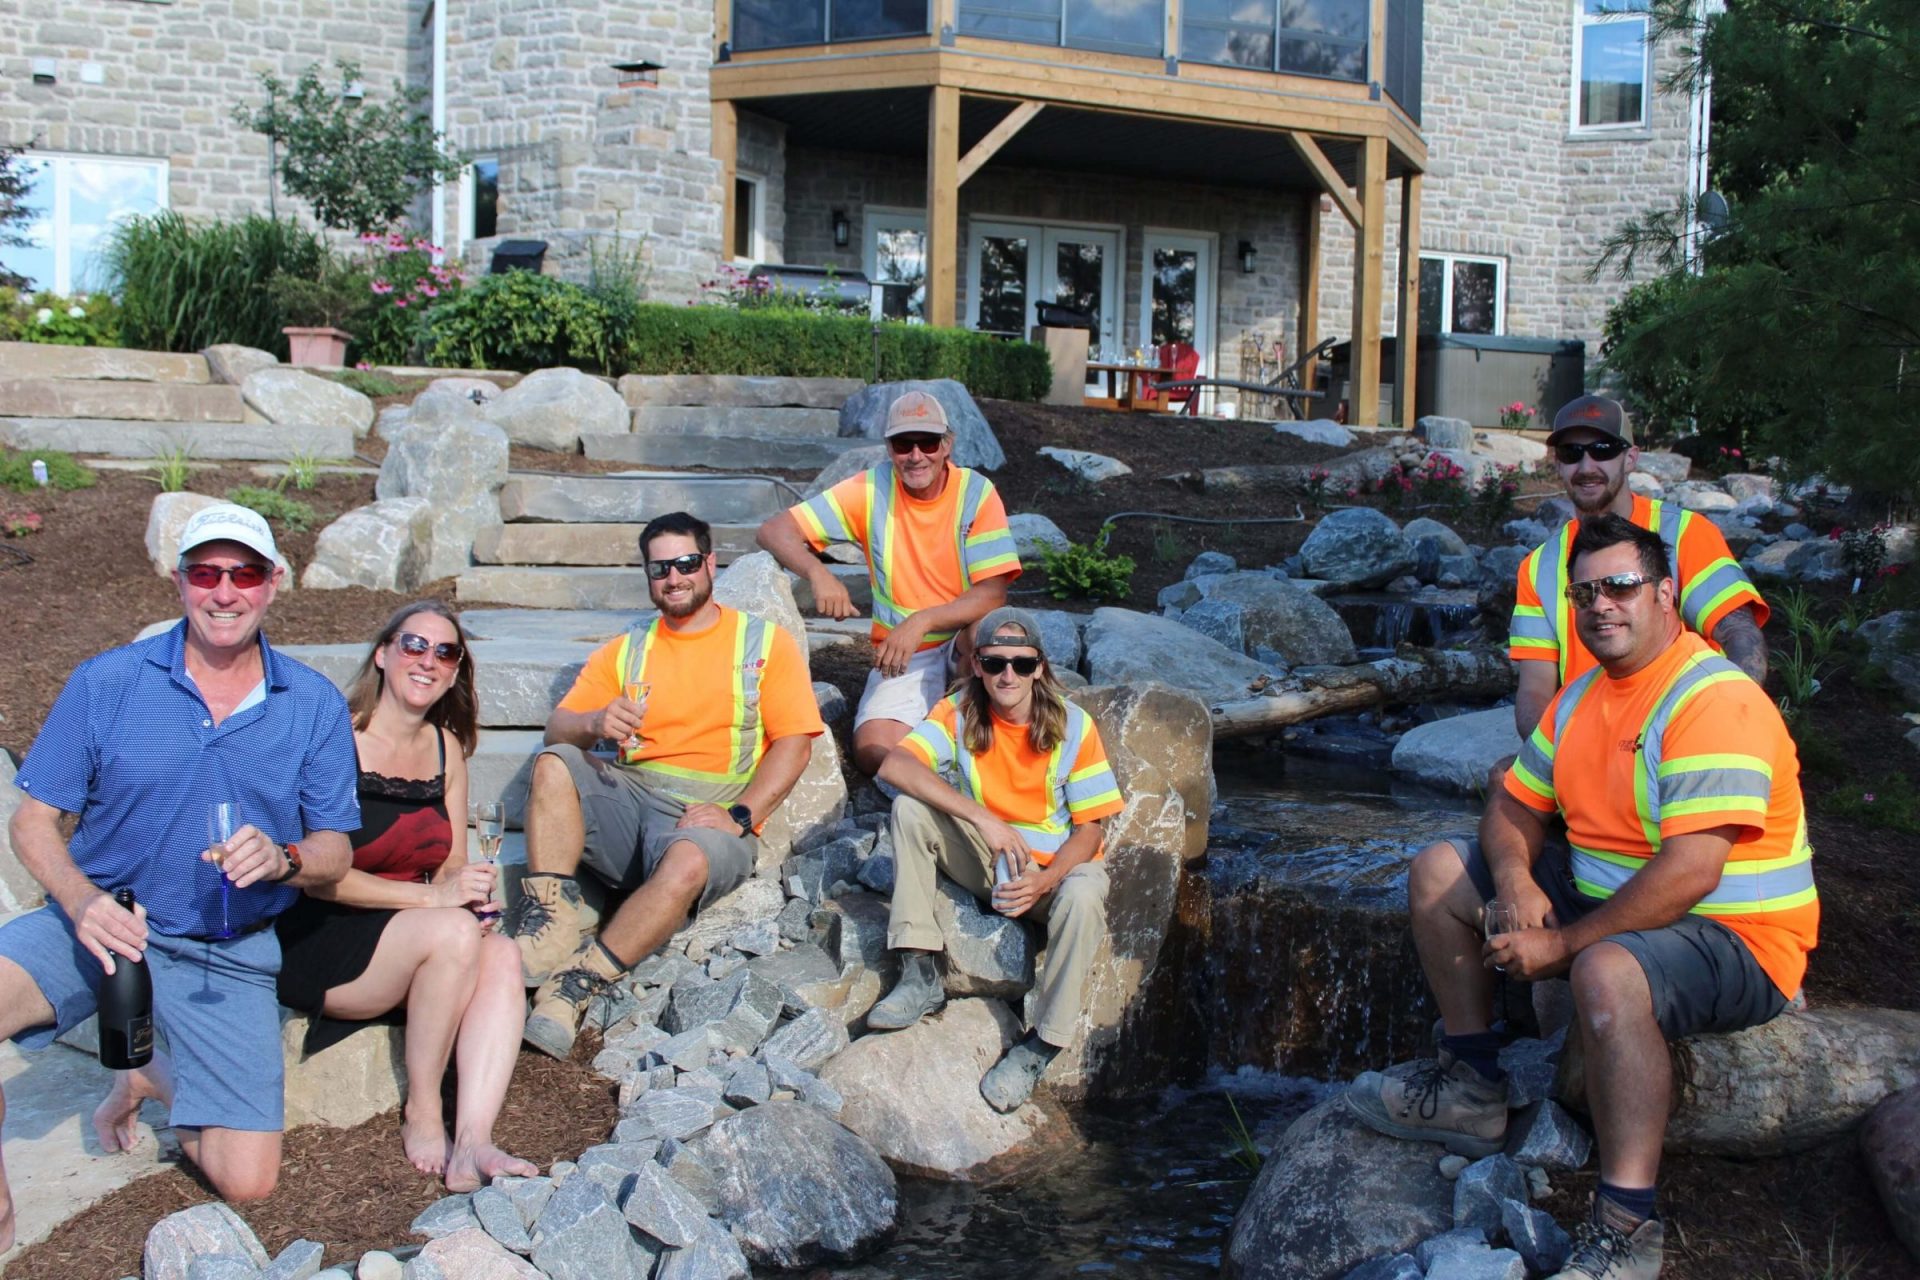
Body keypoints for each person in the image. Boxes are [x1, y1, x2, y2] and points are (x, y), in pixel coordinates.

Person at [1345, 515, 1818, 1280]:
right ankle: (1474, 1087)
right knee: (1438, 869)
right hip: (1616, 906)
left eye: (1621, 586)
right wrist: (1517, 882)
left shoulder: (1712, 699)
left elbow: (1694, 871)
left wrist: (1562, 944)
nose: (1602, 605)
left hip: (1736, 935)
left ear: (1666, 594)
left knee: (1604, 970)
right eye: (1585, 592)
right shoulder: (1583, 697)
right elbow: (1512, 804)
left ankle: (1628, 1222)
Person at [0, 504, 358, 1243]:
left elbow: (337, 852)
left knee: (247, 1177)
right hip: (103, 923)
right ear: (178, 581)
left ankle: (145, 1073)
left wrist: (287, 860)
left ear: (273, 584)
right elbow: (32, 823)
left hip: (223, 948)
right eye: (206, 572)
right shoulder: (108, 683)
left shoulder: (314, 703)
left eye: (245, 573)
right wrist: (80, 900)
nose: (224, 592)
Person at [505, 511, 825, 1059]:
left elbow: (795, 742)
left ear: (709, 563)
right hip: (631, 801)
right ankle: (552, 919)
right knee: (556, 761)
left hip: (708, 817)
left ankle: (579, 982)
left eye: (685, 564)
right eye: (660, 569)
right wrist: (592, 722)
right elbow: (558, 728)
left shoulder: (761, 644)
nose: (674, 578)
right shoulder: (628, 650)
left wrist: (740, 815)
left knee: (687, 862)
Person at [274, 601, 537, 1192]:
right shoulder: (333, 738)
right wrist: (435, 903)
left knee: (503, 955)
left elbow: (450, 860)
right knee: (449, 931)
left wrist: (466, 895)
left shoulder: (448, 749)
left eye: (445, 652)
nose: (428, 661)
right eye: (414, 645)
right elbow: (316, 874)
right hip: (322, 935)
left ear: (456, 670)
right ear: (383, 654)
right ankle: (422, 1108)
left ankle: (474, 1140)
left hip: (410, 938)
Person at [867, 607, 1125, 1112]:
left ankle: (1041, 1043)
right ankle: (919, 971)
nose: (1009, 675)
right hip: (986, 857)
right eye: (995, 663)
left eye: (1022, 664)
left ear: (1040, 668)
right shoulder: (959, 709)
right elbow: (896, 763)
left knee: (1087, 890)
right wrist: (984, 819)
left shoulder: (1075, 725)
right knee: (910, 810)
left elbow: (1091, 828)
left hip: (1046, 874)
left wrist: (1047, 880)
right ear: (977, 667)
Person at [756, 390, 1021, 775]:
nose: (916, 455)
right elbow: (774, 530)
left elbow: (993, 593)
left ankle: (971, 738)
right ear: (889, 448)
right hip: (905, 655)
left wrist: (921, 621)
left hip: (962, 637)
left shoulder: (976, 493)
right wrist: (818, 573)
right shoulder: (869, 489)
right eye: (903, 444)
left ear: (947, 444)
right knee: (871, 749)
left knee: (991, 631)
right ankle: (941, 771)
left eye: (928, 442)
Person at [1508, 394, 1768, 737]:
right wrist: (1554, 756)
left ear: (1631, 458)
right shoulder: (1538, 566)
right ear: (1557, 465)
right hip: (1592, 741)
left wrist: (1727, 723)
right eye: (1572, 454)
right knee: (1503, 782)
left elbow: (1742, 636)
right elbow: (1534, 690)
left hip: (1683, 729)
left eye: (1603, 449)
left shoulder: (1686, 534)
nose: (1586, 467)